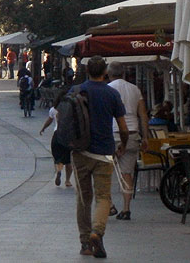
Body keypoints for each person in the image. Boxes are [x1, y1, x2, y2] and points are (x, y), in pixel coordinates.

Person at [70, 56, 128, 259]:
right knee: (103, 196)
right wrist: (123, 145)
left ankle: (85, 242)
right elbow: (123, 127)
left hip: (80, 152)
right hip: (104, 152)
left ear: (87, 72)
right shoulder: (111, 94)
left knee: (83, 198)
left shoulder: (76, 91)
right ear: (105, 72)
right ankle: (97, 231)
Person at [107, 61, 149, 221]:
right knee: (127, 173)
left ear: (109, 74)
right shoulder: (135, 89)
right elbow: (143, 115)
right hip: (132, 134)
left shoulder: (108, 89)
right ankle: (126, 209)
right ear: (124, 73)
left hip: (113, 134)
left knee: (107, 172)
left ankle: (110, 205)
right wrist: (145, 137)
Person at [40, 93, 73, 188]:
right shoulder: (71, 109)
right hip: (67, 135)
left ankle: (59, 170)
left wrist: (43, 128)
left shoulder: (53, 110)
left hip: (57, 135)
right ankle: (67, 181)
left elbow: (49, 121)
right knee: (68, 160)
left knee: (58, 157)